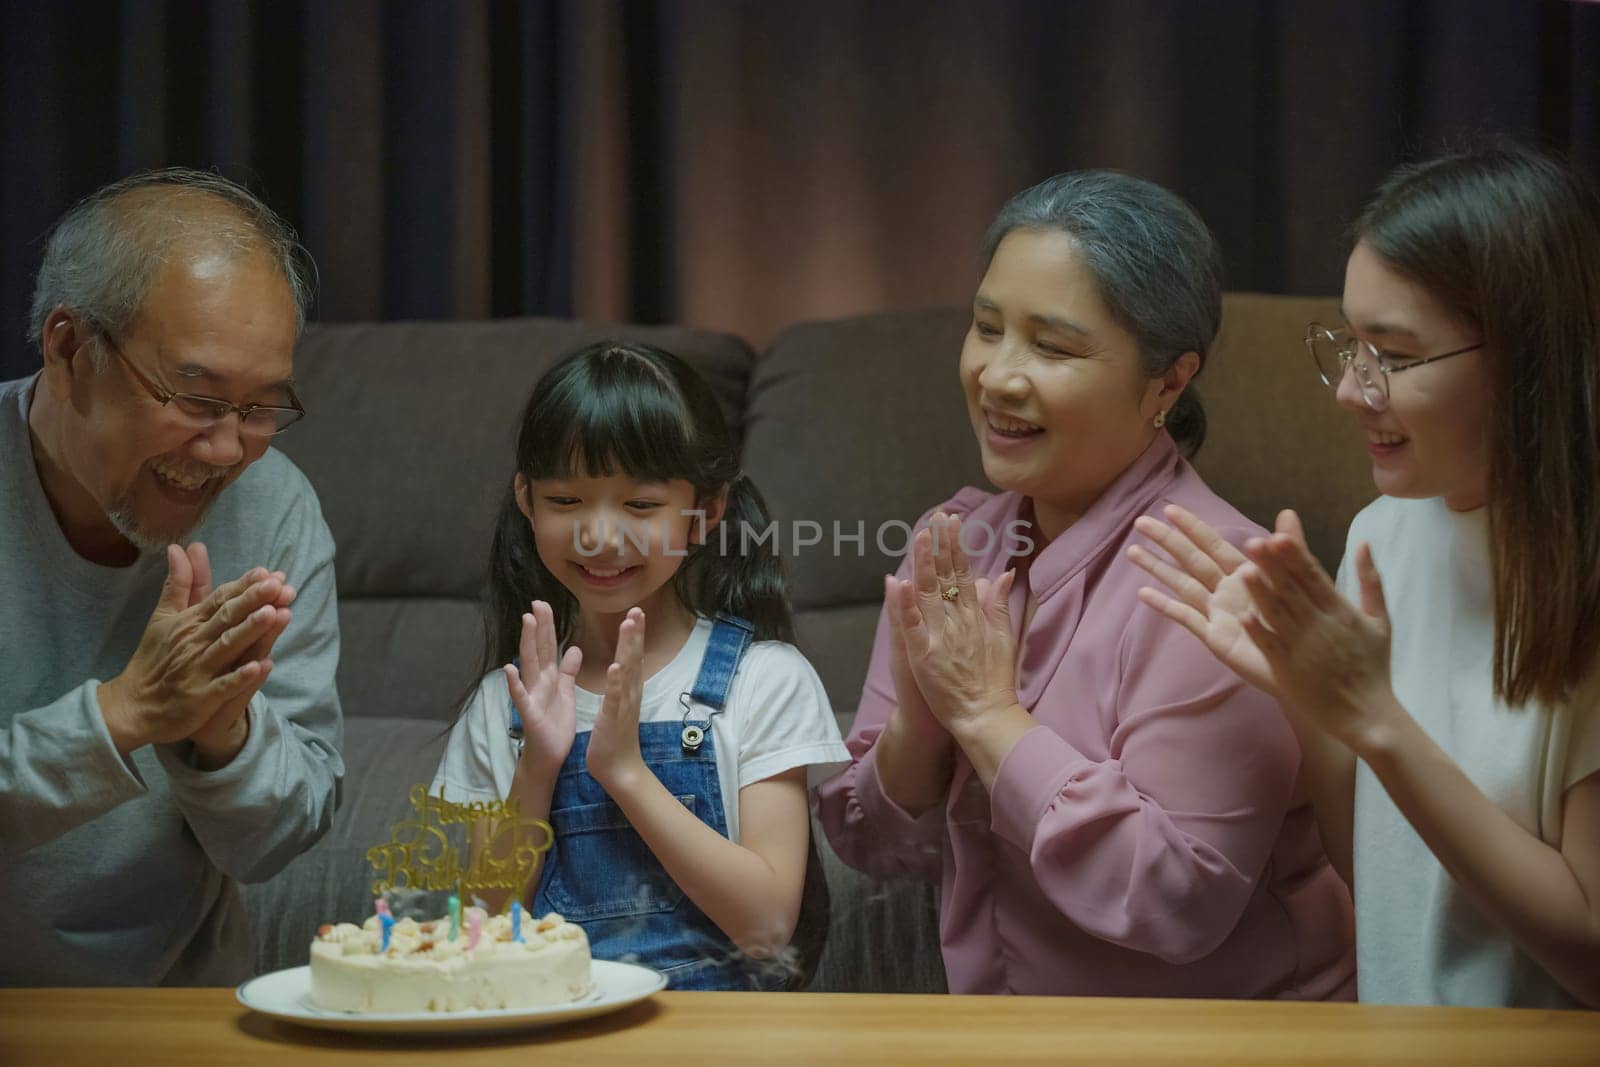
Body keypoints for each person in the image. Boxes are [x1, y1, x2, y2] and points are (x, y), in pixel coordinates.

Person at [812, 171, 1355, 999]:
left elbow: (1178, 902)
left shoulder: (1215, 582)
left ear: (1167, 382)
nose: (997, 375)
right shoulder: (956, 543)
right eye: (986, 328)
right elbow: (871, 845)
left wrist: (992, 721)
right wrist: (923, 725)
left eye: (1053, 346)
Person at [1130, 143, 1600, 1009]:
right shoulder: (1382, 535)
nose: (1351, 389)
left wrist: (1377, 720)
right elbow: (1379, 875)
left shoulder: (1583, 583)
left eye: (1392, 353)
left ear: (1528, 358)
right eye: (1349, 343)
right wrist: (1310, 699)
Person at [0, 169, 344, 985]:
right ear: (67, 349)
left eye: (261, 407)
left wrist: (224, 735)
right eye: (194, 396)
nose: (228, 449)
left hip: (176, 1009)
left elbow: (274, 844)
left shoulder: (274, 507)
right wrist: (125, 713)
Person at [432, 340, 848, 990]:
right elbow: (484, 927)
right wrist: (538, 766)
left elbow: (767, 925)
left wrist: (625, 772)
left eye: (641, 505)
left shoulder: (764, 680)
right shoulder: (502, 703)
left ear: (704, 513)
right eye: (567, 501)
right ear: (526, 499)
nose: (600, 535)